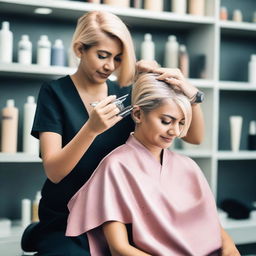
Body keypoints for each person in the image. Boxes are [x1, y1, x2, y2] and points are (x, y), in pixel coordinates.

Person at [23, 10, 205, 255]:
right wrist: (91, 129)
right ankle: (40, 234)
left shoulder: (126, 94)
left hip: (119, 215)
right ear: (80, 49)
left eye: (118, 58)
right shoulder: (54, 93)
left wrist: (192, 95)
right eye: (102, 56)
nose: (110, 66)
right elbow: (54, 171)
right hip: (67, 219)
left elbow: (193, 137)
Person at [66, 73, 240, 256]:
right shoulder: (115, 166)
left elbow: (212, 225)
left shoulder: (188, 166)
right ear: (138, 114)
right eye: (166, 121)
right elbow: (119, 249)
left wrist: (230, 247)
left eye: (181, 123)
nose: (174, 131)